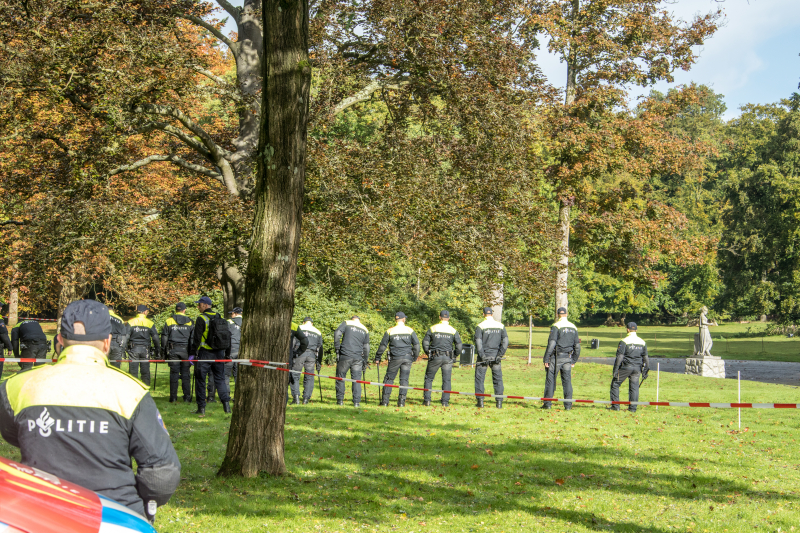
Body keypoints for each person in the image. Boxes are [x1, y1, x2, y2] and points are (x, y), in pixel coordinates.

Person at [0, 300, 180, 522]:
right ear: (108, 342)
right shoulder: (130, 391)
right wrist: (138, 507)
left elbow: (12, 434)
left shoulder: (17, 385)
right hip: (114, 516)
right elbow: (161, 473)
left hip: (40, 515)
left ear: (59, 340)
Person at [190, 296, 231, 415]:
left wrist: (192, 354)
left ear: (205, 305)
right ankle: (226, 407)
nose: (198, 307)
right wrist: (227, 355)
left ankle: (201, 408)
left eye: (199, 304)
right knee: (220, 379)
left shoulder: (201, 318)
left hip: (205, 354)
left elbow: (196, 338)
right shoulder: (220, 317)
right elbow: (227, 337)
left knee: (200, 380)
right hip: (219, 354)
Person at [376, 312, 420, 407]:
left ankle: (385, 402)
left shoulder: (390, 330)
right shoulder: (409, 330)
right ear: (404, 319)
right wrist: (415, 357)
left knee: (389, 378)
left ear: (395, 320)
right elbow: (416, 344)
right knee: (404, 379)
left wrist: (377, 357)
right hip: (407, 358)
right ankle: (401, 402)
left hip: (395, 358)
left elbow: (383, 346)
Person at [542, 307, 580, 410]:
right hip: (567, 358)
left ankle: (547, 404)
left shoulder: (556, 326)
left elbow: (551, 344)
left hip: (556, 358)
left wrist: (546, 359)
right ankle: (568, 406)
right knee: (567, 382)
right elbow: (577, 346)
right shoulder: (573, 327)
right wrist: (574, 360)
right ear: (567, 314)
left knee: (551, 381)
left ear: (557, 314)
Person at [421, 310, 462, 407]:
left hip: (435, 357)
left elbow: (425, 342)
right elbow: (459, 346)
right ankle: (445, 402)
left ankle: (427, 400)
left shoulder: (433, 328)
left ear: (439, 317)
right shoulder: (453, 330)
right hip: (448, 358)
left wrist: (428, 353)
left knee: (429, 379)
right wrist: (454, 355)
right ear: (449, 318)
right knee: (446, 380)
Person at [609, 322, 649, 412]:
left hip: (626, 367)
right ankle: (633, 409)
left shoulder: (624, 341)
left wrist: (615, 370)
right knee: (634, 388)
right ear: (636, 330)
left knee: (615, 384)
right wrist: (645, 371)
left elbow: (620, 357)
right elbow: (646, 358)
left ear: (627, 329)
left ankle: (615, 406)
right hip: (637, 368)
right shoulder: (642, 342)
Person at [209, 307, 246, 402]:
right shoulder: (246, 322)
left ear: (235, 313)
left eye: (232, 313)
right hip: (241, 351)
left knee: (226, 375)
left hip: (230, 350)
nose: (230, 315)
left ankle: (227, 396)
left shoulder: (229, 322)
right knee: (238, 375)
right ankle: (237, 397)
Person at [474, 307, 509, 409]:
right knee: (497, 379)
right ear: (492, 314)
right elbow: (505, 342)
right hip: (496, 357)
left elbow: (478, 342)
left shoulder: (480, 326)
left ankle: (480, 402)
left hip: (483, 357)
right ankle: (499, 403)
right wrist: (500, 355)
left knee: (480, 379)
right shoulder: (500, 326)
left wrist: (482, 356)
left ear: (483, 314)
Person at [161, 302, 194, 403]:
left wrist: (164, 351)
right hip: (185, 351)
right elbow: (192, 339)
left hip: (173, 350)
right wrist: (192, 352)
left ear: (176, 310)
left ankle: (173, 397)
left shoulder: (169, 321)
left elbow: (164, 337)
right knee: (185, 374)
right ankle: (187, 397)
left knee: (174, 373)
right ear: (184, 310)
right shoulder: (190, 322)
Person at [333, 315, 369, 407]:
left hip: (345, 355)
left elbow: (337, 333)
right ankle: (356, 402)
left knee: (340, 377)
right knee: (356, 380)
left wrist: (337, 348)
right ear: (359, 320)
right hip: (358, 358)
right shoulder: (364, 329)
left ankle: (340, 401)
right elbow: (366, 347)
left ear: (352, 319)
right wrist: (365, 359)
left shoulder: (347, 323)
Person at [293, 317, 323, 404]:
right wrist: (319, 362)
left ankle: (296, 398)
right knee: (309, 376)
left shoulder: (298, 328)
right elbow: (320, 348)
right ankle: (306, 399)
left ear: (303, 322)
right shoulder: (317, 331)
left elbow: (293, 341)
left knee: (295, 375)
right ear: (312, 323)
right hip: (311, 355)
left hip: (299, 353)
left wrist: (292, 354)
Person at [107, 302, 129, 369]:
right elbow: (124, 335)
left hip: (105, 343)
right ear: (113, 311)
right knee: (116, 367)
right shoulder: (120, 319)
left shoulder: (101, 318)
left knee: (104, 364)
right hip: (117, 343)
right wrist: (123, 349)